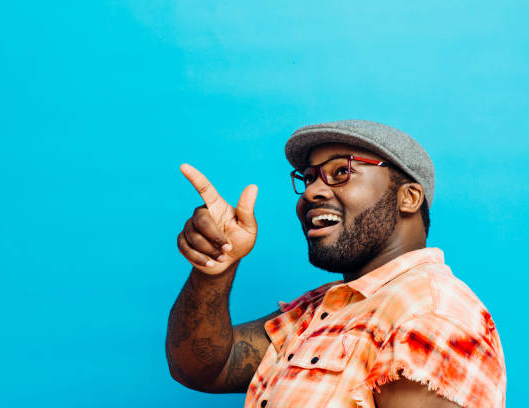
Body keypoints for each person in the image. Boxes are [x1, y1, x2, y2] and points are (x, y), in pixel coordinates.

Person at [165, 120, 506, 407]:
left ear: (409, 198)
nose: (312, 191)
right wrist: (214, 268)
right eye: (309, 177)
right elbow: (207, 367)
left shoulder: (430, 314)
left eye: (341, 171)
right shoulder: (326, 308)